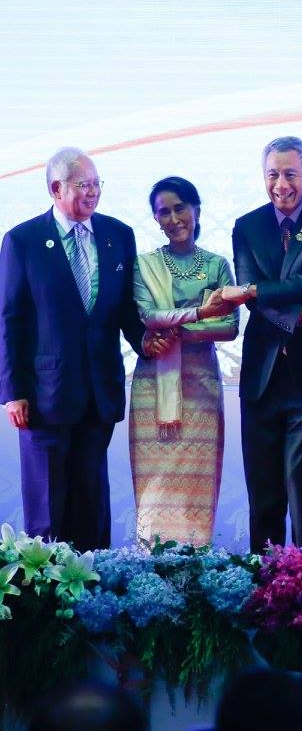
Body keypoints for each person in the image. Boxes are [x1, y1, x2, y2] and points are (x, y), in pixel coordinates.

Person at [1, 147, 147, 550]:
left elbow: (127, 310)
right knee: (48, 513)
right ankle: (48, 605)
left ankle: (93, 602)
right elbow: (10, 321)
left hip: (98, 395)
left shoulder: (119, 235)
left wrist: (148, 341)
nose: (94, 193)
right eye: (84, 185)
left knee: (92, 506)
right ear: (56, 187)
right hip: (44, 398)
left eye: (98, 184)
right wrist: (13, 392)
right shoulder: (22, 240)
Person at [224, 136, 302, 551]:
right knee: (263, 492)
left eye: (291, 174)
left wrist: (259, 291)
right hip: (262, 376)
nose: (281, 183)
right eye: (273, 174)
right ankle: (266, 589)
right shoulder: (247, 226)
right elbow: (251, 296)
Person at [129, 177, 238, 545]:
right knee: (155, 489)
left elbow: (229, 326)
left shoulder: (217, 264)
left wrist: (179, 327)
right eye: (164, 212)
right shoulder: (144, 265)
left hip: (201, 386)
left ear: (196, 210)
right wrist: (200, 314)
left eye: (180, 208)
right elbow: (148, 315)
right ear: (156, 219)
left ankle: (196, 570)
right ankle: (151, 573)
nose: (174, 218)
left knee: (197, 488)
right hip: (153, 385)